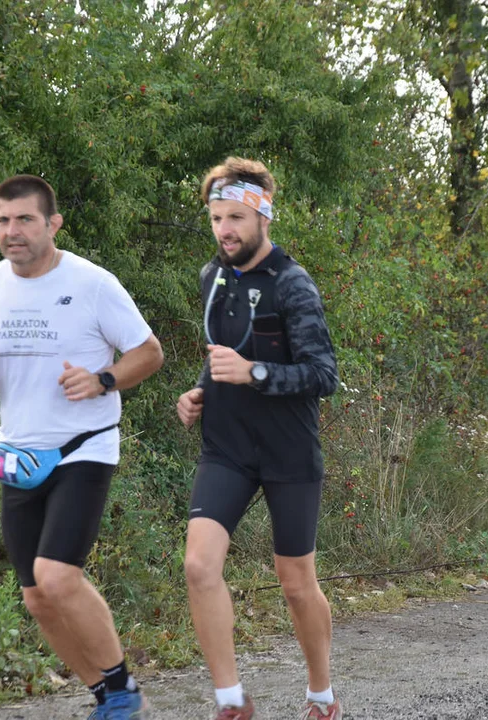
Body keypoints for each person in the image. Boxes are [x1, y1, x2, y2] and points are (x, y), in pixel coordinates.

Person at [0, 174, 164, 720]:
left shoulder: (92, 283)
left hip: (84, 446)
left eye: (24, 220)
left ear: (53, 224)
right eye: (2, 220)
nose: (11, 231)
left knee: (58, 575)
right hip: (19, 455)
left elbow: (149, 352)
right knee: (36, 596)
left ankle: (123, 687)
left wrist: (103, 380)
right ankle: (106, 697)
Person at [176, 157, 341, 720]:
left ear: (263, 216)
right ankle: (231, 701)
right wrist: (198, 392)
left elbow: (324, 376)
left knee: (295, 584)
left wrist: (256, 374)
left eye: (236, 218)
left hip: (288, 453)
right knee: (199, 566)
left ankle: (321, 694)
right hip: (227, 451)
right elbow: (219, 349)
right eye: (217, 217)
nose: (225, 229)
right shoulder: (211, 277)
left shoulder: (294, 285)